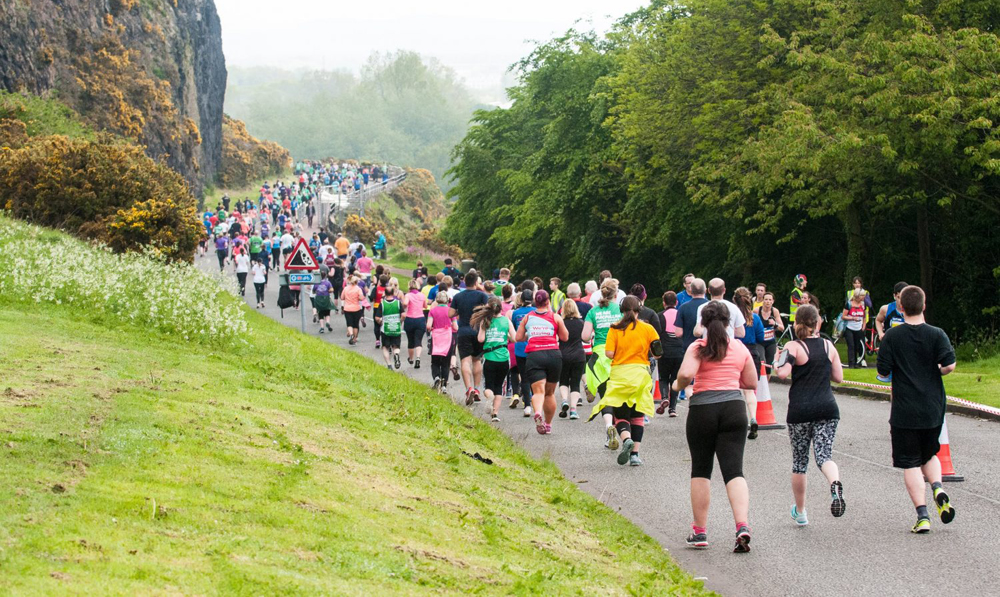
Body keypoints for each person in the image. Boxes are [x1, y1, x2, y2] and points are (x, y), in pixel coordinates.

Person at [673, 301, 757, 553]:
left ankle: (700, 531)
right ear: (729, 322)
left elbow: (686, 375)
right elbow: (751, 382)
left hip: (703, 410)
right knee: (734, 471)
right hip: (733, 408)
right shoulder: (739, 347)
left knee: (701, 469)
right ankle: (742, 526)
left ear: (703, 324)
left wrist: (678, 385)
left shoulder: (698, 347)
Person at [876, 285, 956, 534]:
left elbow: (882, 372)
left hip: (904, 410)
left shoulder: (892, 336)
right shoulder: (937, 334)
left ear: (900, 307)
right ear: (924, 306)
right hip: (933, 407)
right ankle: (938, 488)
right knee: (930, 454)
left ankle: (923, 516)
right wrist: (938, 370)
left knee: (910, 462)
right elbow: (949, 365)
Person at [773, 305, 846, 526]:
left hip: (800, 411)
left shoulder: (793, 346)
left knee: (800, 462)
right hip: (827, 408)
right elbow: (839, 378)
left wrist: (778, 359)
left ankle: (801, 511)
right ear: (818, 323)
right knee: (824, 456)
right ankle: (834, 482)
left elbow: (782, 373)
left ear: (796, 323)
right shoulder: (828, 346)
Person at [589, 296, 662, 466]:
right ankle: (635, 455)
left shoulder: (614, 328)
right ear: (639, 309)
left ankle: (626, 438)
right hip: (641, 375)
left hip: (620, 375)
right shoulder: (648, 328)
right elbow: (658, 352)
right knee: (637, 416)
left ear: (621, 310)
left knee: (621, 414)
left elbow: (608, 353)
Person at [516, 290, 570, 435]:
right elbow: (565, 337)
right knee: (550, 393)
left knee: (538, 391)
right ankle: (548, 424)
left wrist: (530, 333)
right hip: (553, 355)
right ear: (547, 302)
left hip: (535, 355)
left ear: (536, 302)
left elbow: (518, 338)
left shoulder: (527, 318)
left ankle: (538, 412)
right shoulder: (556, 317)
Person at [583, 280, 623, 447]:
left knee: (605, 396)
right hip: (618, 356)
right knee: (619, 396)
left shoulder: (593, 311)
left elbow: (584, 336)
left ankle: (609, 426)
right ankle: (623, 430)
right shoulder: (621, 311)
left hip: (599, 356)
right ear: (616, 294)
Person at [473, 296, 514, 423]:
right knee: (499, 386)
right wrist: (504, 334)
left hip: (489, 358)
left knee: (489, 385)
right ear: (500, 308)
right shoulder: (506, 321)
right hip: (504, 358)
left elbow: (480, 339)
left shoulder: (485, 321)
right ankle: (495, 414)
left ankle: (489, 397)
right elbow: (515, 338)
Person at [451, 271, 490, 404]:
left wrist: (458, 311)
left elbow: (450, 313)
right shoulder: (482, 296)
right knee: (477, 360)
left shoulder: (458, 296)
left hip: (463, 331)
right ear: (475, 283)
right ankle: (477, 388)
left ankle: (469, 389)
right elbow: (488, 310)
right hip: (477, 331)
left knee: (465, 362)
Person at [734, 287, 764, 439]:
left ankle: (738, 420)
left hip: (735, 351)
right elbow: (761, 337)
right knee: (750, 390)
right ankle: (753, 417)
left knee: (734, 388)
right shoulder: (755, 318)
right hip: (752, 352)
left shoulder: (732, 316)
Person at [655, 291, 684, 417]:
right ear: (676, 302)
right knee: (675, 379)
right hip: (679, 351)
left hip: (665, 352)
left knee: (663, 378)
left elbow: (656, 335)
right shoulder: (680, 314)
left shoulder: (660, 316)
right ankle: (673, 409)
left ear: (664, 303)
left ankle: (664, 397)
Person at [557, 299, 587, 420]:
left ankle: (564, 400)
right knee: (575, 383)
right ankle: (573, 410)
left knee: (563, 381)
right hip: (578, 355)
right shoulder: (581, 322)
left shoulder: (560, 323)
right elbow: (586, 339)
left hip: (563, 355)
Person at [510, 289, 536, 415]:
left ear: (521, 300)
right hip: (534, 347)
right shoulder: (536, 312)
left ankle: (527, 405)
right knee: (536, 377)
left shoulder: (516, 313)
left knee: (524, 378)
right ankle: (537, 402)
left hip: (520, 348)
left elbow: (516, 329)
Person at [427, 292, 457, 393]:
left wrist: (432, 328)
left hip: (436, 337)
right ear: (447, 300)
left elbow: (428, 326)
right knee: (446, 362)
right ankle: (444, 385)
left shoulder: (433, 311)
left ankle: (436, 377)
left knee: (435, 361)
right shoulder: (451, 311)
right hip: (448, 338)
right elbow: (455, 327)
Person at [377, 281, 404, 369]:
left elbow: (377, 318)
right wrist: (400, 321)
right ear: (393, 293)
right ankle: (396, 354)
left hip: (386, 329)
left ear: (385, 293)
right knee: (396, 345)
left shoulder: (382, 304)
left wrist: (380, 322)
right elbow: (403, 314)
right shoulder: (398, 303)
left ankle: (389, 364)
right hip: (396, 327)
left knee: (385, 347)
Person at [403, 279, 428, 369]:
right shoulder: (422, 295)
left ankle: (411, 358)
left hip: (410, 318)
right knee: (418, 340)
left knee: (410, 341)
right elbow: (425, 306)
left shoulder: (408, 295)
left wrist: (404, 305)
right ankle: (418, 357)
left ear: (409, 286)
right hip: (420, 319)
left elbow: (405, 303)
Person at [755, 292, 784, 367]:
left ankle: (767, 379)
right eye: (766, 299)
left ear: (772, 301)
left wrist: (775, 324)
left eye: (770, 300)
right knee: (762, 362)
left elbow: (782, 328)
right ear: (763, 301)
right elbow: (751, 324)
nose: (768, 301)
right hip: (760, 341)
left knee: (769, 365)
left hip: (771, 342)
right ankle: (760, 378)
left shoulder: (775, 311)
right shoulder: (756, 311)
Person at [842, 291, 868, 368]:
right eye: (862, 296)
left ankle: (856, 363)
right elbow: (843, 316)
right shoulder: (849, 304)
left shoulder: (863, 305)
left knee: (857, 346)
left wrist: (864, 326)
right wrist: (853, 318)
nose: (863, 298)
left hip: (859, 328)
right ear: (857, 296)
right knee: (851, 345)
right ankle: (851, 364)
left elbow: (864, 316)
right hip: (849, 328)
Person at [342, 275, 365, 345]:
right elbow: (361, 298)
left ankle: (351, 334)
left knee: (349, 323)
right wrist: (357, 298)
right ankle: (354, 339)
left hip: (347, 308)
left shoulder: (345, 288)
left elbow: (342, 297)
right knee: (355, 324)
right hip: (356, 308)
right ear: (356, 282)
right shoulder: (358, 289)